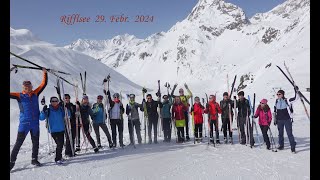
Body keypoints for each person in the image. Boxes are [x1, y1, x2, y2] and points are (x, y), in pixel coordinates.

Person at [10, 68, 47, 171]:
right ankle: (11, 162)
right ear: (23, 87)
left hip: (35, 123)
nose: (28, 88)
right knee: (18, 143)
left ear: (31, 87)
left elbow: (43, 84)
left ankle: (34, 159)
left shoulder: (35, 93)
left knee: (35, 142)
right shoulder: (19, 96)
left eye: (29, 86)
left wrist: (44, 73)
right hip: (24, 123)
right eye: (26, 87)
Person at [39, 97, 70, 164]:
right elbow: (41, 118)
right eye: (53, 101)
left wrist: (66, 108)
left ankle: (60, 157)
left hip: (61, 129)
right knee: (59, 144)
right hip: (53, 130)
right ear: (51, 102)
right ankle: (57, 158)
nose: (54, 102)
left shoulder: (61, 109)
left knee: (61, 144)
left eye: (56, 101)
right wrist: (43, 111)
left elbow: (68, 115)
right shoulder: (48, 110)